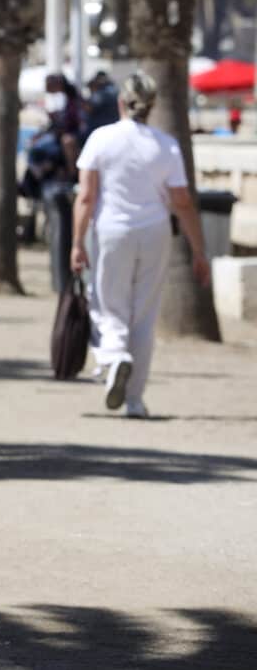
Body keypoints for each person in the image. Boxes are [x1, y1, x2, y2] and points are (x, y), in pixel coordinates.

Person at [70, 71, 211, 419]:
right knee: (144, 313)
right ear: (152, 106)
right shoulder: (166, 145)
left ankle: (115, 357)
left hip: (112, 231)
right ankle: (134, 400)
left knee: (107, 302)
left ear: (122, 101)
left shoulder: (101, 139)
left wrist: (77, 242)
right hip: (155, 231)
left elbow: (86, 197)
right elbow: (183, 202)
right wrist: (198, 250)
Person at [42, 73, 85, 294]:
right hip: (64, 134)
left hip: (72, 137)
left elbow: (73, 126)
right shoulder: (66, 99)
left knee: (67, 143)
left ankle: (71, 171)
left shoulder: (73, 99)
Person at [85, 71, 120, 137]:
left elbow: (89, 108)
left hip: (99, 129)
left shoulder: (101, 93)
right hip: (114, 127)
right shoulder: (115, 90)